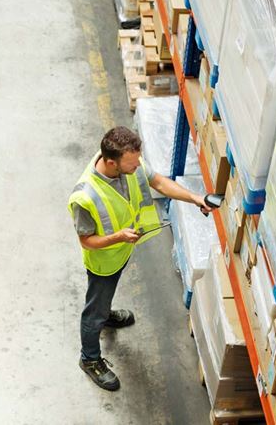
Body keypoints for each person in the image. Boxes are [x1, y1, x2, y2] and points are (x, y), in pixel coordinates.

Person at [68, 126, 216, 391]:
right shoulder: (85, 196)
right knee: (94, 310)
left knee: (105, 298)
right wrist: (118, 237)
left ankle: (106, 314)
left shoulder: (127, 164)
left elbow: (158, 181)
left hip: (122, 252)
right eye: (132, 163)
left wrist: (195, 198)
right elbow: (86, 241)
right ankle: (89, 358)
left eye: (138, 161)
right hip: (104, 262)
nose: (138, 167)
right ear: (112, 162)